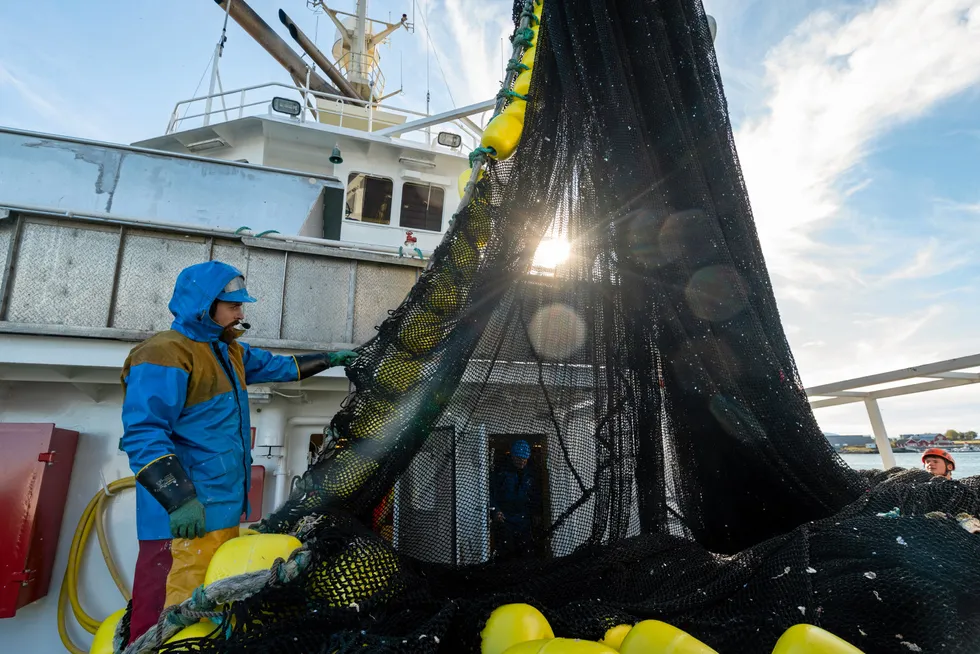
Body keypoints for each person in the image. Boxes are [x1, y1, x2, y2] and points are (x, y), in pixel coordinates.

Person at [120, 261, 358, 643]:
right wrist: (179, 499)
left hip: (222, 510)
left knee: (206, 610)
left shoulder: (228, 351)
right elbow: (143, 433)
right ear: (204, 305)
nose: (241, 313)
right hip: (181, 519)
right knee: (165, 616)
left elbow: (279, 366)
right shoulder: (164, 353)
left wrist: (331, 359)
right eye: (233, 305)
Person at [490, 439, 540, 560]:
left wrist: (537, 513)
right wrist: (496, 511)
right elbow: (490, 494)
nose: (522, 461)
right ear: (512, 456)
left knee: (526, 552)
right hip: (505, 520)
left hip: (524, 520)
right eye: (518, 458)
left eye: (524, 458)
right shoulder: (500, 473)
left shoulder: (531, 474)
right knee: (507, 553)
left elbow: (535, 496)